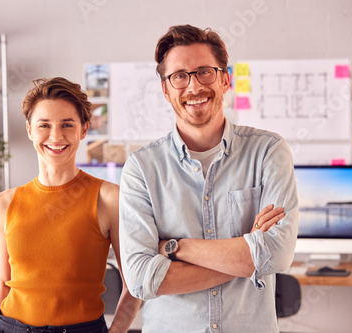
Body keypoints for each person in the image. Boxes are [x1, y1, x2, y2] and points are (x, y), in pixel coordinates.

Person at [119, 25, 299, 332]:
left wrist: (174, 248)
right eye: (179, 76)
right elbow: (140, 279)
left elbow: (277, 254)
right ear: (165, 89)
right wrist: (245, 255)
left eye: (204, 71)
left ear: (225, 79)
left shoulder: (269, 151)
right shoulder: (141, 168)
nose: (193, 87)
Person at [0, 77, 141, 333]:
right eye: (44, 125)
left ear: (84, 129)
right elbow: (3, 284)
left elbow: (135, 285)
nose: (56, 136)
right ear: (30, 130)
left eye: (67, 124)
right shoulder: (3, 204)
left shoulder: (110, 198)